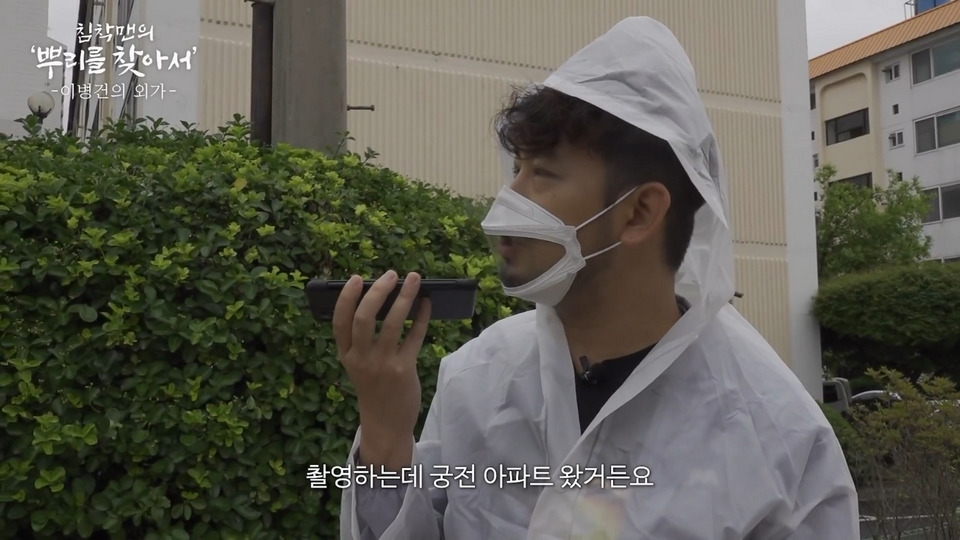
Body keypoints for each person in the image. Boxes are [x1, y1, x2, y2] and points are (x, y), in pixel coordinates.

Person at [332, 16, 859, 540]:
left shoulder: (778, 434)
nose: (508, 202)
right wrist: (385, 434)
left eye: (542, 173)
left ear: (640, 212)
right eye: (516, 170)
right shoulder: (478, 377)